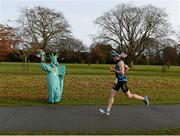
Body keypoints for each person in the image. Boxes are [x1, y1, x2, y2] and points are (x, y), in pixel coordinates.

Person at [99, 50, 149, 116]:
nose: (113, 58)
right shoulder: (119, 62)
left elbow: (122, 73)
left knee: (129, 96)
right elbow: (126, 69)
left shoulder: (120, 63)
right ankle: (107, 111)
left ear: (117, 56)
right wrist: (123, 70)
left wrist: (113, 70)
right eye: (112, 56)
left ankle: (144, 99)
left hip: (122, 82)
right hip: (118, 81)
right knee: (112, 94)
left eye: (114, 56)